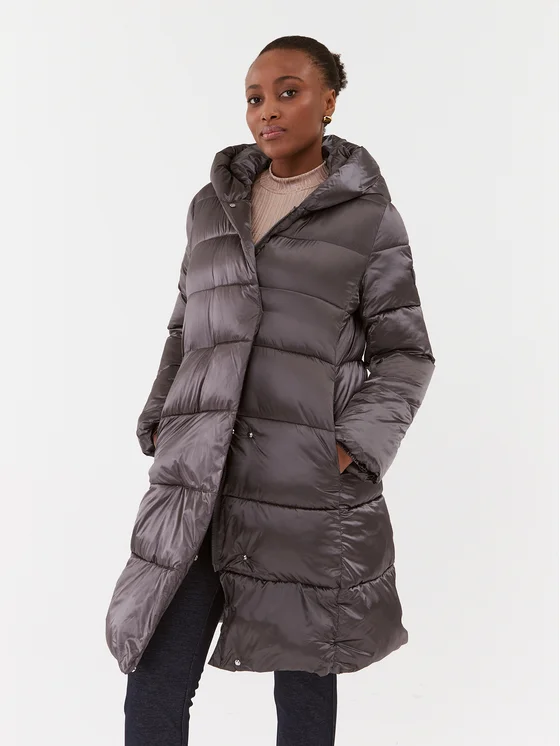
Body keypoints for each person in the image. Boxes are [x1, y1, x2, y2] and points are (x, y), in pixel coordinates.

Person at [106, 34, 436, 746]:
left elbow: (406, 353)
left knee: (305, 681)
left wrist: (351, 449)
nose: (268, 110)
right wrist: (162, 418)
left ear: (329, 101)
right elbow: (185, 326)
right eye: (255, 97)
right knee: (156, 671)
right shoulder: (211, 206)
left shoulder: (368, 218)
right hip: (202, 476)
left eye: (289, 92)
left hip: (302, 485)